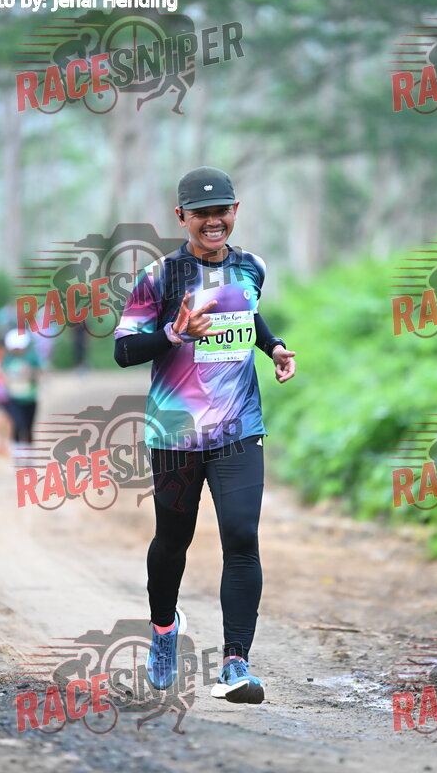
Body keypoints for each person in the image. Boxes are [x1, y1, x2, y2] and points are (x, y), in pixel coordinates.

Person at [114, 166, 296, 704]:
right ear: (182, 217)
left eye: (222, 211)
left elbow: (248, 316)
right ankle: (164, 629)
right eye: (202, 214)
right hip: (176, 431)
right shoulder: (160, 276)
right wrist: (175, 333)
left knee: (241, 537)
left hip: (240, 426)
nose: (214, 221)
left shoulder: (252, 266)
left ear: (235, 211)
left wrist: (273, 347)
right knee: (173, 540)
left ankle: (235, 664)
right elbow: (124, 349)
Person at [1, 329, 41, 458]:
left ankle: (28, 453)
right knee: (17, 424)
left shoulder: (32, 358)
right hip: (14, 398)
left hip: (30, 398)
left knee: (28, 426)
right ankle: (17, 451)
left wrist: (31, 373)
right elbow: (2, 376)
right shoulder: (8, 359)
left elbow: (39, 374)